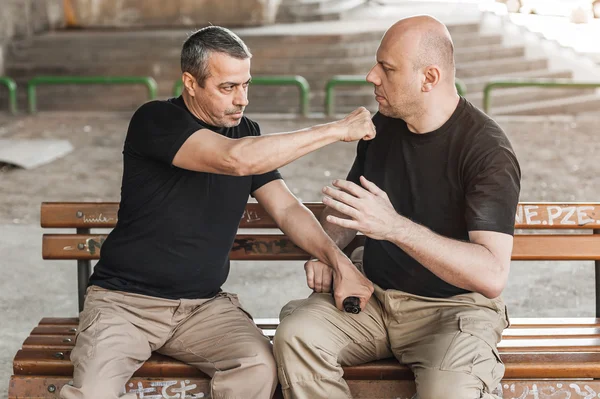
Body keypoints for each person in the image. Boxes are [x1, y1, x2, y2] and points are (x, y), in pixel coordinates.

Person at [60, 26, 376, 399]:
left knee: (258, 368)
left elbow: (287, 208)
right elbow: (234, 160)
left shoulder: (246, 131)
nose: (241, 100)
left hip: (202, 308)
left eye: (246, 85)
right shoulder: (155, 120)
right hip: (124, 304)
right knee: (91, 393)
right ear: (190, 83)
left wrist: (338, 261)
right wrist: (337, 130)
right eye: (228, 87)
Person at [273, 15, 521, 399]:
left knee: (451, 391)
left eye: (387, 68)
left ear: (429, 78)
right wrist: (329, 252)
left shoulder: (487, 150)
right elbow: (348, 213)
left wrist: (393, 228)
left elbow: (491, 275)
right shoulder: (384, 126)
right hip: (374, 297)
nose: (372, 76)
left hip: (454, 312)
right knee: (296, 335)